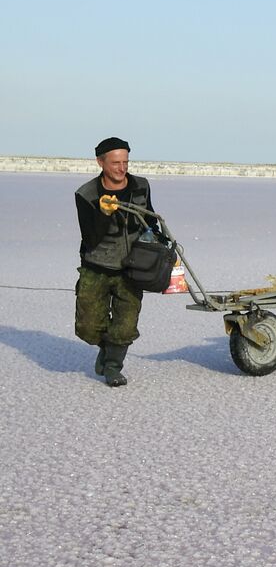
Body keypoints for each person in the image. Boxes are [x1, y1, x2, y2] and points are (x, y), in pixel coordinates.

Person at [74, 137, 160, 387]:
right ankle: (106, 347)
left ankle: (113, 367)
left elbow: (150, 221)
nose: (122, 168)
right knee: (87, 327)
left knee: (125, 326)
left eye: (125, 162)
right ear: (101, 162)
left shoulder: (141, 187)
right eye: (115, 163)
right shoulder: (86, 194)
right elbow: (90, 238)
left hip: (132, 269)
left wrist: (157, 244)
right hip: (96, 267)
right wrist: (103, 214)